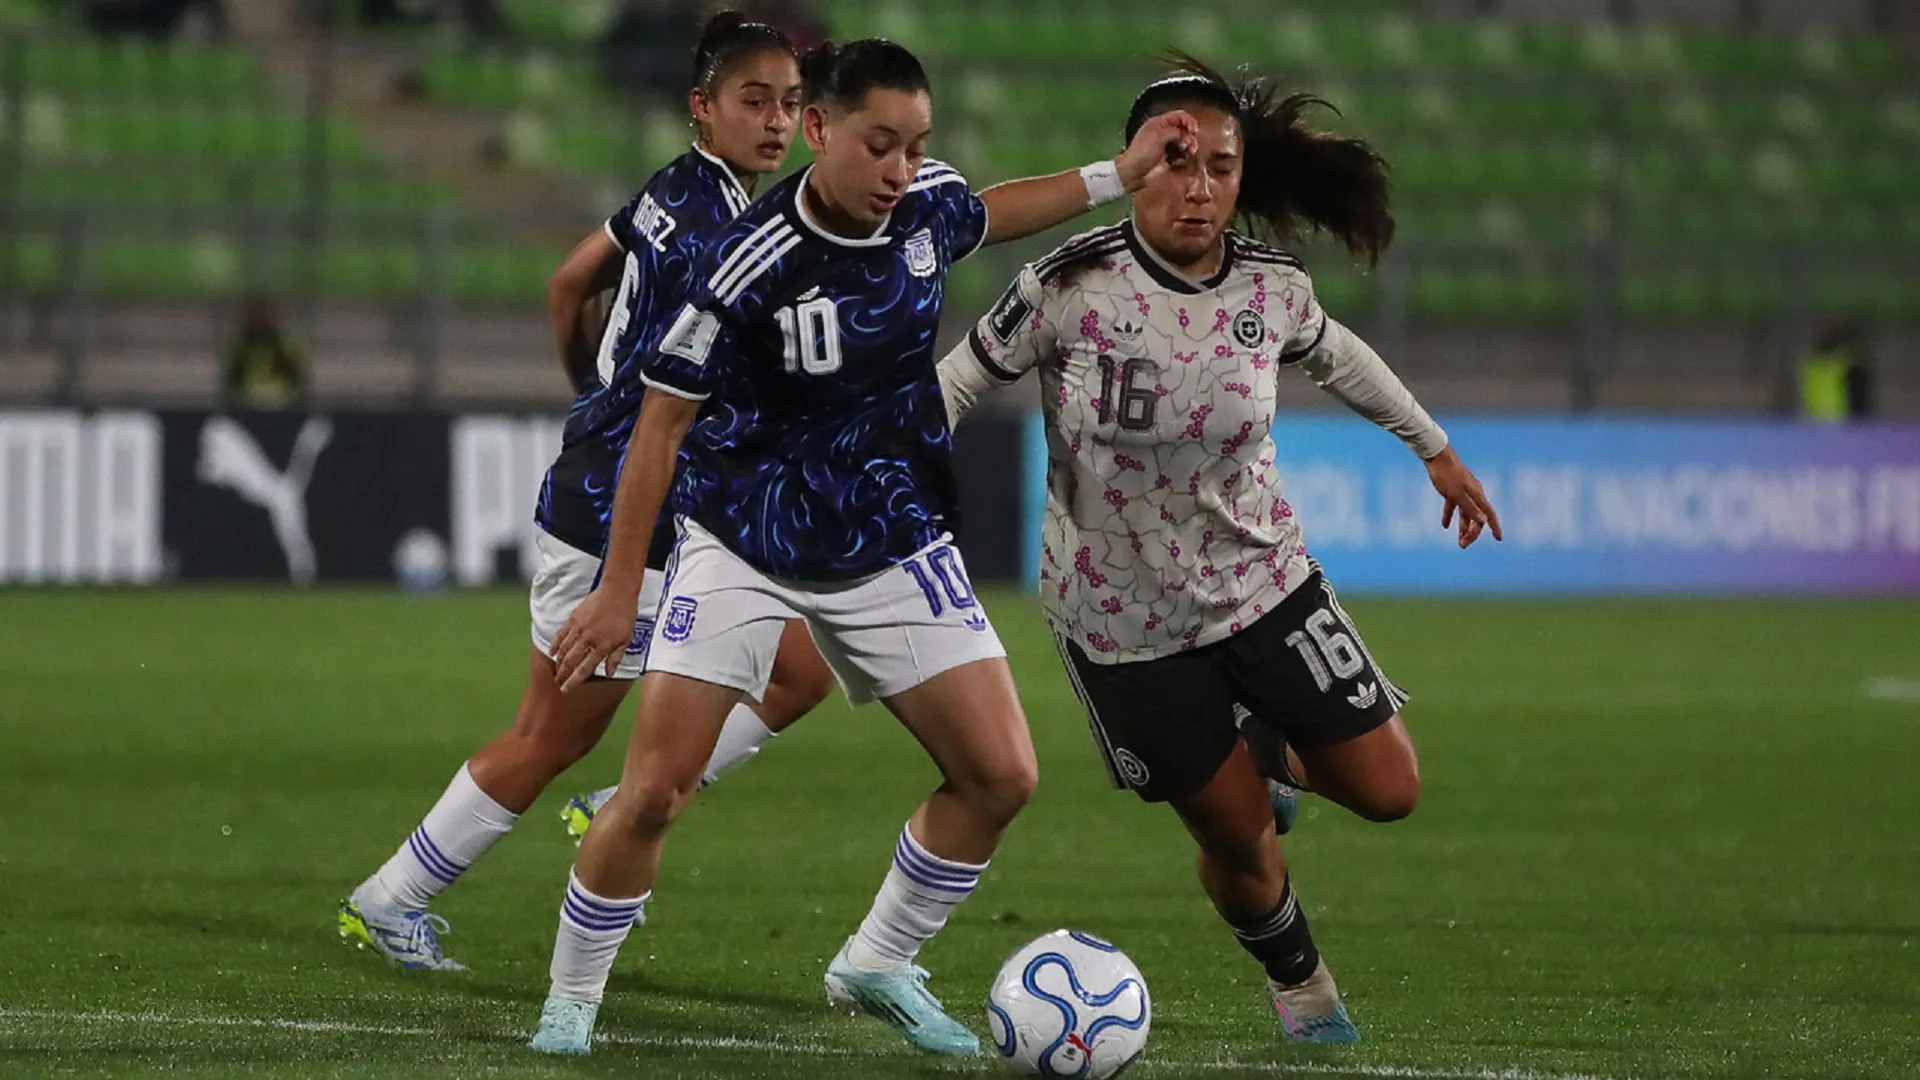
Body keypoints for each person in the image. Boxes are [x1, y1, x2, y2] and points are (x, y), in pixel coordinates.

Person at [529, 37, 1198, 1056]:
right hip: (746, 539)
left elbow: (995, 208)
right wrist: (623, 587)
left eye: (916, 145)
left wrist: (1123, 174)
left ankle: (878, 960)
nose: (900, 170)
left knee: (1001, 777)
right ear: (818, 130)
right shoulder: (746, 261)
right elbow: (660, 428)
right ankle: (570, 1003)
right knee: (655, 790)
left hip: (891, 536)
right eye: (880, 145)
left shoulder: (924, 204)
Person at [937, 55, 1502, 1045]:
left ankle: (1267, 750)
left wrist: (1436, 449)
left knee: (1391, 790)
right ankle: (1305, 990)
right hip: (1121, 623)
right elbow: (951, 388)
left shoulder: (1271, 288)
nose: (1198, 189)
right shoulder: (1067, 287)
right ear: (1139, 163)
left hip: (1262, 583)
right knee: (1237, 835)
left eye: (1221, 169)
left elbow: (1342, 356)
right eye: (1177, 163)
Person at [335, 11, 832, 971]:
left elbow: (569, 286)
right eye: (753, 100)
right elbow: (698, 386)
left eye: (791, 103)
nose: (776, 121)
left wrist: (591, 397)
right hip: (624, 514)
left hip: (647, 494)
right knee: (546, 735)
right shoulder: (723, 233)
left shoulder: (682, 189)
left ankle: (621, 803)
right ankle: (391, 898)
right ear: (704, 106)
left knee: (803, 667)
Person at [222, 295, 306, 409]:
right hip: (247, 409)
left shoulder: (286, 348)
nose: (262, 318)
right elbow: (232, 384)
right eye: (258, 313)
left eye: (267, 313)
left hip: (281, 408)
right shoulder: (241, 349)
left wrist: (281, 398)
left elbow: (297, 384)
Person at [1798, 318, 1874, 423]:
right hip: (1815, 420)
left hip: (1841, 421)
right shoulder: (1812, 364)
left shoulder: (1849, 363)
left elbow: (1859, 399)